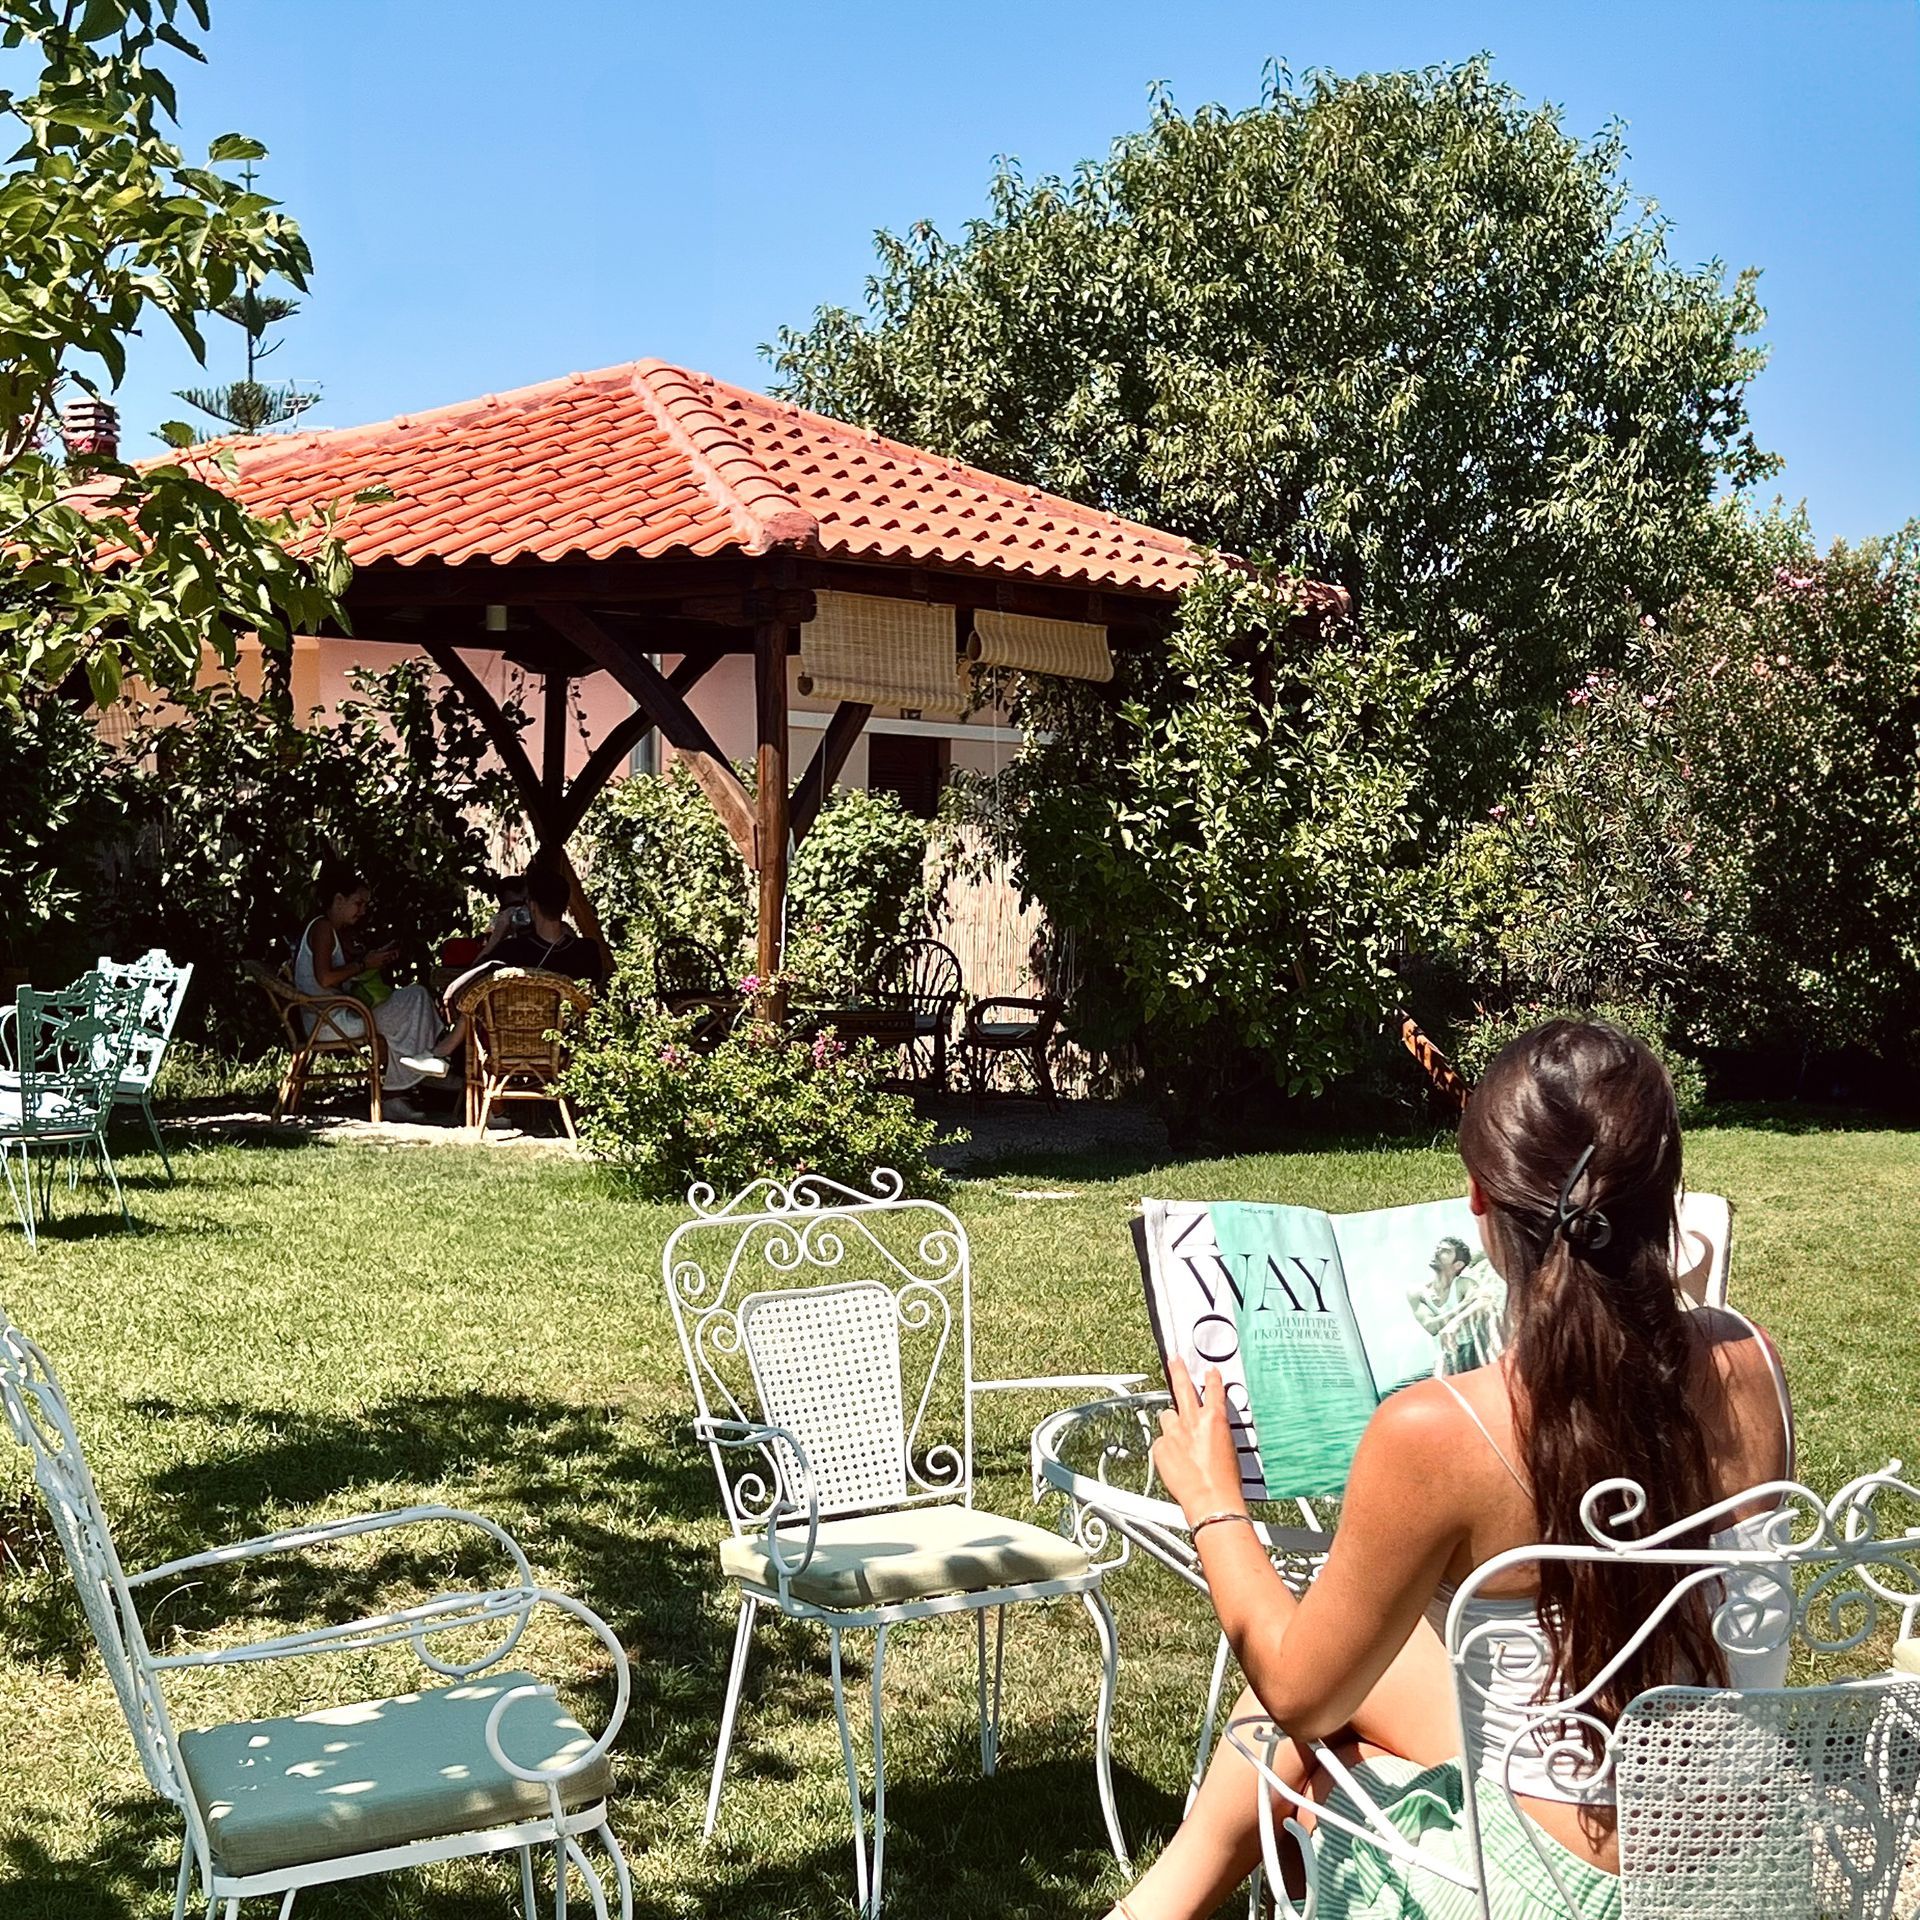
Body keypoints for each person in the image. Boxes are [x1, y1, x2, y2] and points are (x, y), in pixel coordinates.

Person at [1114, 1020, 1794, 1920]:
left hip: (1561, 1895)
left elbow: (1299, 1694)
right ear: (1666, 1186)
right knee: (1349, 1692)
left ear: (1477, 1198)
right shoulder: (1754, 1364)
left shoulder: (1442, 1429)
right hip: (1745, 1868)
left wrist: (1213, 1502)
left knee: (1316, 1750)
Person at [295, 858, 459, 1120]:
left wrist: (372, 959)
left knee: (416, 997)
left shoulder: (338, 931)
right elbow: (325, 978)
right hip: (330, 1019)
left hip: (341, 1012)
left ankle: (412, 1077)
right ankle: (405, 1083)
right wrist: (363, 964)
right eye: (358, 904)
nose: (361, 911)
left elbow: (347, 972)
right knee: (415, 999)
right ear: (338, 900)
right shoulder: (322, 928)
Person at [471, 855, 607, 986]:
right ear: (565, 907)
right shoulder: (588, 951)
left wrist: (496, 938)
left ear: (532, 906)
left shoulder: (511, 951)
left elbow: (471, 984)